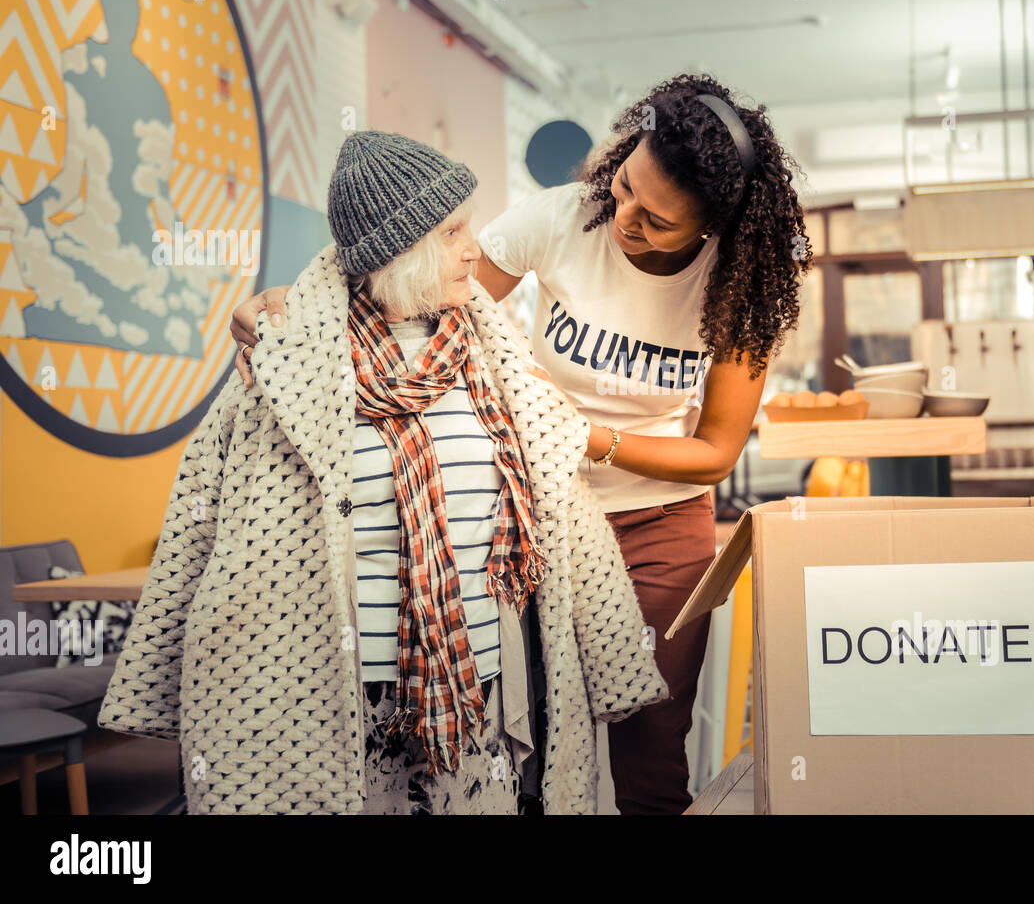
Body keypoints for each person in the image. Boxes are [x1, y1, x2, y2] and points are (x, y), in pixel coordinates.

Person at [229, 74, 812, 814]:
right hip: (539, 519)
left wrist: (586, 440)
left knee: (651, 742)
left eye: (656, 220)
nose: (625, 216)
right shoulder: (564, 217)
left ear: (711, 227)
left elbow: (715, 453)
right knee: (537, 724)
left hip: (664, 526)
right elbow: (424, 293)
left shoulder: (741, 282)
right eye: (626, 184)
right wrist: (285, 306)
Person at [100, 131, 667, 814]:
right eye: (452, 230)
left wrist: (615, 661)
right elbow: (200, 516)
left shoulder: (496, 363)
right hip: (333, 702)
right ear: (398, 251)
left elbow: (566, 511)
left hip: (479, 686)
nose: (472, 247)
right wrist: (158, 677)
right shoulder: (287, 367)